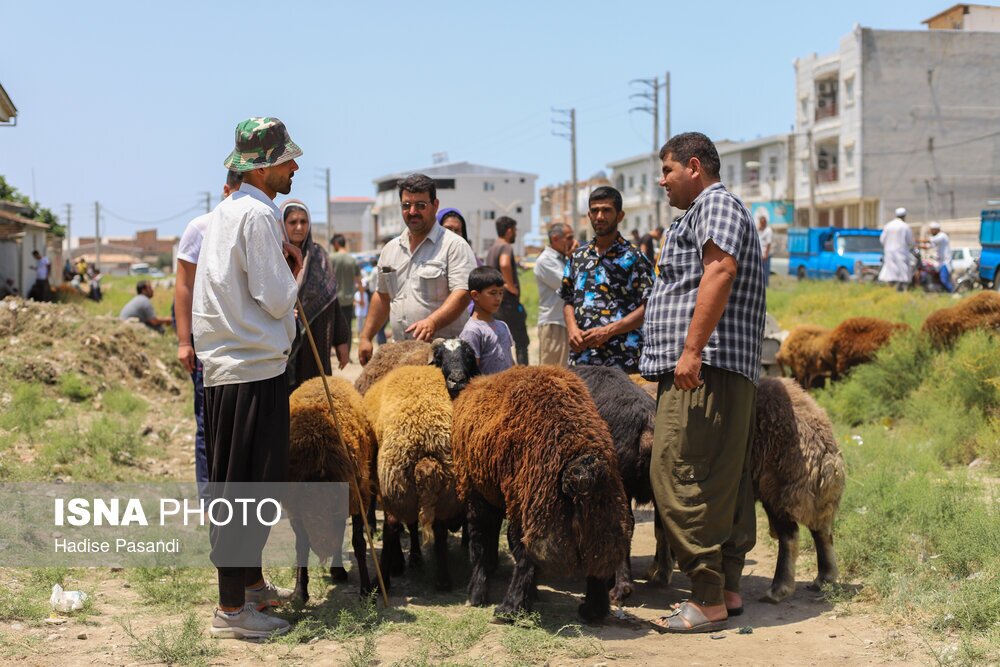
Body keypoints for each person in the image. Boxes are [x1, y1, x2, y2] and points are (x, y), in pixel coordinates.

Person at [640, 132, 766, 634]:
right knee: (722, 477)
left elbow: (719, 272)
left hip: (704, 369)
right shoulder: (712, 211)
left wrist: (691, 351)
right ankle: (727, 590)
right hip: (718, 369)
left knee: (678, 472)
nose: (662, 181)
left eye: (667, 170)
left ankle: (707, 598)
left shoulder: (714, 205)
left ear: (694, 166)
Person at [193, 117, 303, 639]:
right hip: (252, 369)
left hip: (228, 369)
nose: (294, 167)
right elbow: (276, 298)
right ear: (262, 169)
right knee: (250, 488)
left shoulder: (224, 212)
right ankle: (232, 611)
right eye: (286, 160)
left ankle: (251, 585)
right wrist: (293, 270)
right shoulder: (259, 216)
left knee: (239, 482)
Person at [175, 170, 243, 503]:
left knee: (240, 424)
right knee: (207, 422)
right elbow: (183, 286)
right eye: (237, 193)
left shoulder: (256, 226)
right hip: (205, 344)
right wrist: (183, 341)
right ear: (226, 190)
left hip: (243, 344)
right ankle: (209, 497)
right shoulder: (199, 228)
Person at [358, 173, 477, 365]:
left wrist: (433, 322)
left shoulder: (454, 246)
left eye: (420, 205)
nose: (412, 211)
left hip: (444, 357)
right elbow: (382, 296)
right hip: (401, 355)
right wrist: (366, 337)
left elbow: (462, 293)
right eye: (406, 205)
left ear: (435, 205)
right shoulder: (390, 249)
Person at [560, 186, 654, 374]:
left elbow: (650, 306)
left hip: (623, 358)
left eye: (606, 210)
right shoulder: (578, 257)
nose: (600, 216)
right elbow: (568, 299)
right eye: (595, 211)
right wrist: (572, 330)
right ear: (589, 215)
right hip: (583, 357)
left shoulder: (634, 257)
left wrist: (608, 331)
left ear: (620, 216)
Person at [282, 200, 350, 391]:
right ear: (282, 224)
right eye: (293, 222)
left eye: (303, 222)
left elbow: (332, 300)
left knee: (315, 394)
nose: (299, 227)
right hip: (284, 337)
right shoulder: (275, 256)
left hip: (316, 337)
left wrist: (341, 341)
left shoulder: (319, 256)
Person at [485, 216, 530, 365]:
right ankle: (523, 373)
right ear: (509, 231)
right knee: (521, 341)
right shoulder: (505, 246)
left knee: (502, 341)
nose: (516, 233)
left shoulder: (492, 248)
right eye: (515, 230)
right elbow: (504, 264)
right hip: (509, 302)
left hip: (496, 303)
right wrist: (511, 286)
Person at [459, 266, 514, 375]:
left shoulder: (503, 326)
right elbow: (471, 372)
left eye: (501, 292)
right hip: (487, 386)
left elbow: (510, 361)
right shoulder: (472, 331)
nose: (498, 298)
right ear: (475, 295)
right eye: (493, 293)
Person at [533, 223, 574, 366]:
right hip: (554, 324)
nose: (573, 242)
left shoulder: (563, 259)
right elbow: (568, 285)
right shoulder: (545, 260)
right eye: (569, 238)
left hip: (566, 323)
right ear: (556, 238)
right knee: (552, 373)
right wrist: (574, 259)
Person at [329, 234, 362, 357]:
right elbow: (358, 281)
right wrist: (362, 298)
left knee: (331, 326)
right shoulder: (352, 260)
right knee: (347, 327)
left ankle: (330, 352)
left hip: (333, 299)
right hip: (348, 300)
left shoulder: (331, 258)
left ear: (336, 244)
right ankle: (346, 354)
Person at [878, 207, 914, 291]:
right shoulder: (905, 226)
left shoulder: (888, 225)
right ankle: (903, 290)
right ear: (904, 216)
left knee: (891, 272)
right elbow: (910, 241)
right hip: (902, 252)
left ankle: (891, 289)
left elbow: (882, 240)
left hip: (889, 252)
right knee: (903, 271)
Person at [927, 221, 953, 293]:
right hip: (940, 262)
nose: (930, 232)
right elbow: (929, 246)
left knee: (944, 280)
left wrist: (915, 241)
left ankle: (952, 292)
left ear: (936, 230)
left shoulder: (942, 236)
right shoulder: (937, 237)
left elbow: (930, 241)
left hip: (945, 262)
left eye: (931, 230)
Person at [756, 216, 773, 287]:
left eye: (763, 222)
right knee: (759, 271)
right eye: (760, 222)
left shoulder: (768, 230)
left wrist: (766, 254)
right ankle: (760, 284)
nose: (761, 224)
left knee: (765, 271)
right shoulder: (759, 230)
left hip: (765, 255)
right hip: (759, 254)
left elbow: (768, 243)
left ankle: (766, 285)